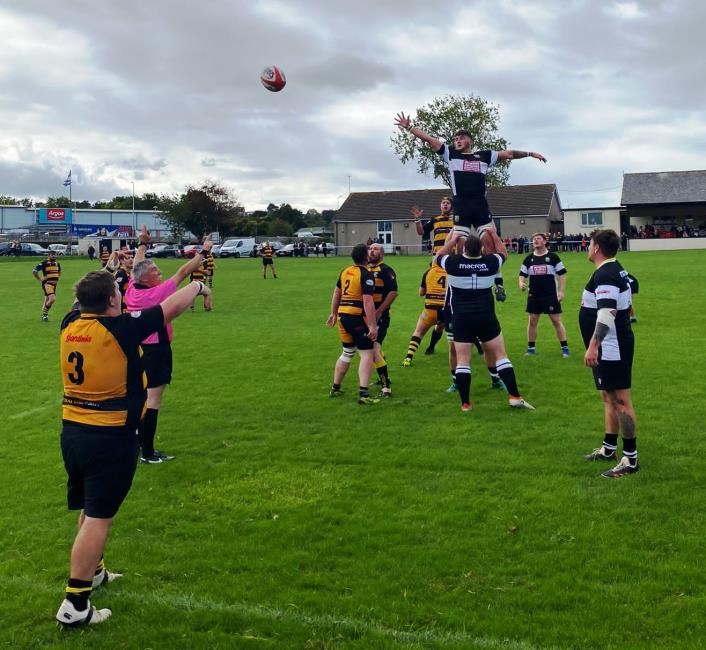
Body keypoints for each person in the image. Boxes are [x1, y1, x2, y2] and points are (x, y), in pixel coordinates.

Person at [55, 269, 211, 627]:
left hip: (74, 432)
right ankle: (75, 604)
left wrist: (108, 274)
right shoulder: (121, 329)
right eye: (117, 292)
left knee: (93, 506)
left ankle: (94, 572)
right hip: (109, 436)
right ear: (112, 299)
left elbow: (88, 297)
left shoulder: (69, 322)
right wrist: (199, 285)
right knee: (99, 517)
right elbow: (169, 308)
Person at [394, 112, 546, 249]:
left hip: (480, 204)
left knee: (489, 242)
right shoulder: (450, 154)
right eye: (455, 139)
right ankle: (459, 273)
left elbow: (510, 154)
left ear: (470, 141)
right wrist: (409, 128)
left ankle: (492, 276)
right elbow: (429, 139)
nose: (457, 141)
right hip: (462, 204)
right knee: (459, 242)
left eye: (461, 138)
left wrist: (530, 153)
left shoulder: (484, 156)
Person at [125, 226, 213, 464]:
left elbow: (137, 265)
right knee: (153, 401)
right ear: (146, 278)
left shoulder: (132, 290)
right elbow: (183, 272)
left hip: (136, 350)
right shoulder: (157, 293)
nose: (160, 272)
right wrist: (203, 252)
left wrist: (142, 244)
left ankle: (135, 443)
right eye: (155, 270)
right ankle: (149, 453)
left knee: (139, 398)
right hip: (156, 350)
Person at [433, 230, 534, 412]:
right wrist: (493, 235)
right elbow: (503, 253)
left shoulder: (453, 263)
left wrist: (453, 240)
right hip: (486, 317)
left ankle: (465, 404)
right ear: (481, 248)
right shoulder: (490, 262)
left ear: (463, 248)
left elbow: (438, 256)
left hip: (461, 318)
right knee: (501, 355)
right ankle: (514, 397)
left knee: (463, 361)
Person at [579, 229, 638, 478]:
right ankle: (609, 448)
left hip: (611, 345)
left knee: (621, 400)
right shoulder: (613, 270)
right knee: (607, 395)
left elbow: (607, 313)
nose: (587, 248)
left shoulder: (606, 274)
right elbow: (631, 286)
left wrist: (593, 345)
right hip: (609, 344)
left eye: (589, 244)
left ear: (597, 248)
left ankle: (631, 460)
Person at [326, 243, 379, 405]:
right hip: (355, 316)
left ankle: (335, 388)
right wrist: (372, 325)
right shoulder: (366, 274)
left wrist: (334, 313)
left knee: (347, 352)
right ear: (366, 257)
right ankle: (364, 394)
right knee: (367, 354)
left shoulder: (345, 271)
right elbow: (368, 301)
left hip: (343, 315)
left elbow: (337, 292)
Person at [519, 233, 570, 357]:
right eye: (533, 239)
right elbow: (522, 274)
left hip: (550, 295)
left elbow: (562, 274)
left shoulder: (553, 257)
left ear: (545, 241)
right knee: (532, 321)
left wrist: (561, 291)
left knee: (556, 321)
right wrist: (521, 282)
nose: (535, 240)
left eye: (538, 238)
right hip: (534, 295)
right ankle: (531, 349)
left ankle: (565, 349)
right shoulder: (528, 258)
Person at [367, 243, 398, 397]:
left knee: (374, 349)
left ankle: (386, 388)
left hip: (380, 317)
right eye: (371, 248)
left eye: (376, 249)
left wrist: (379, 311)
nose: (372, 251)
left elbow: (393, 292)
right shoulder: (365, 269)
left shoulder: (386, 270)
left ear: (382, 254)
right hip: (365, 316)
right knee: (375, 349)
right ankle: (383, 379)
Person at [403, 262, 447, 365]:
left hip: (430, 309)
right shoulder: (452, 271)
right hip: (446, 309)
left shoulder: (429, 272)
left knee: (418, 332)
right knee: (441, 327)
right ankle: (432, 348)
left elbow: (421, 293)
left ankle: (408, 358)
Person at [33, 249, 61, 321]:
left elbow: (59, 272)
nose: (54, 256)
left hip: (54, 285)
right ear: (48, 256)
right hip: (47, 284)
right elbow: (34, 271)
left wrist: (55, 277)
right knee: (52, 299)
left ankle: (44, 314)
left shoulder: (57, 263)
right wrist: (40, 279)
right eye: (52, 254)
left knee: (47, 300)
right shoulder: (44, 263)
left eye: (55, 254)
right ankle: (44, 315)